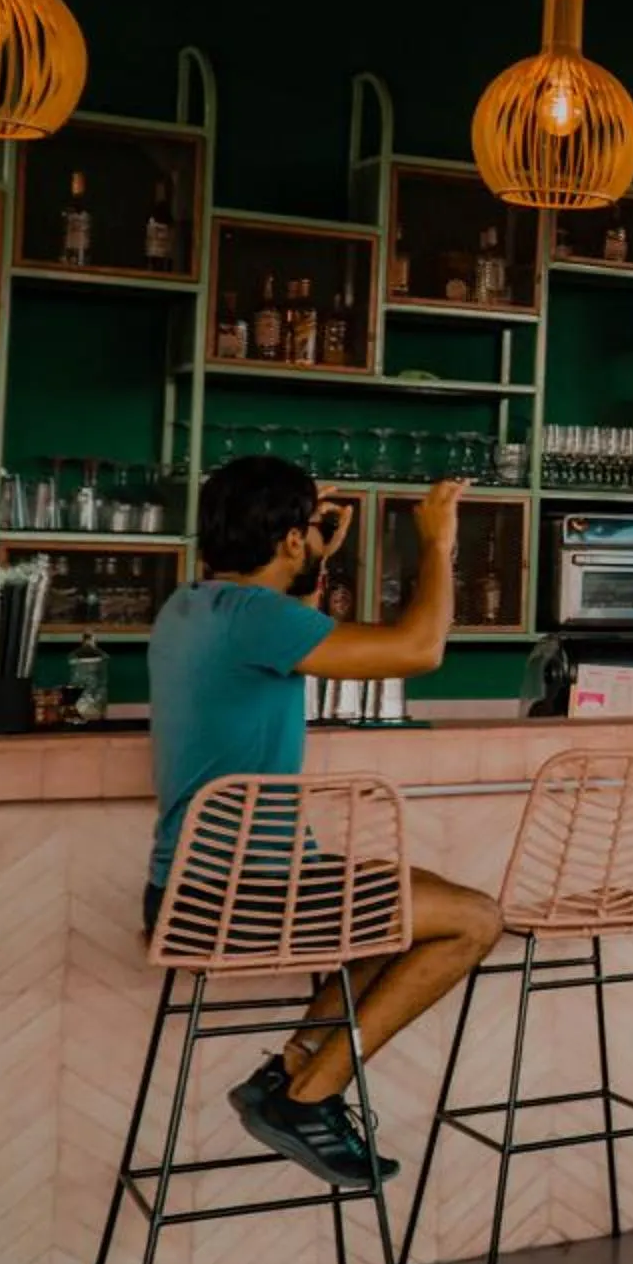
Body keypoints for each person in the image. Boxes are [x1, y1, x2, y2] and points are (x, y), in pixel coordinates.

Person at [144, 458, 502, 1187]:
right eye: (311, 526)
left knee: (398, 904)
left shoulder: (192, 605)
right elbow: (419, 650)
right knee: (474, 919)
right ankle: (307, 1097)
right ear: (287, 541)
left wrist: (305, 552)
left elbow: (310, 618)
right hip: (242, 894)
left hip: (194, 886)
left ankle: (289, 1075)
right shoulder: (256, 618)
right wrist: (436, 544)